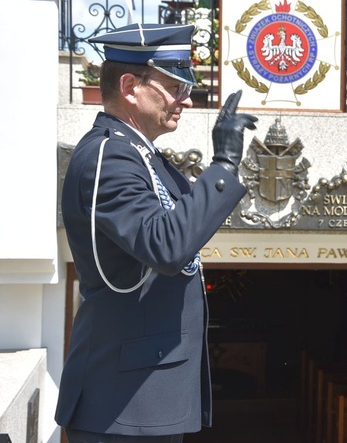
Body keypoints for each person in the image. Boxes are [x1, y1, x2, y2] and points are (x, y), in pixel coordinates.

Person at [56, 23, 258, 442]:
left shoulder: (140, 155)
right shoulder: (108, 156)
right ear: (130, 86)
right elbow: (167, 246)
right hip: (121, 403)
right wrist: (222, 165)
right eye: (174, 85)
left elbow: (183, 225)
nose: (186, 99)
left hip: (143, 397)